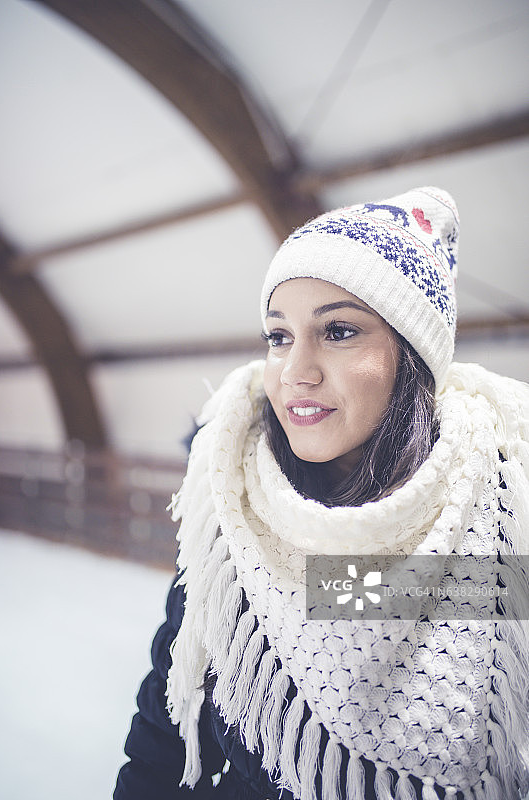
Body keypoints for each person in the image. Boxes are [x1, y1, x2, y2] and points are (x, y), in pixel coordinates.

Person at [114, 187, 529, 800]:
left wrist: (331, 586)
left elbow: (339, 591)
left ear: (409, 359)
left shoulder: (503, 515)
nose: (295, 371)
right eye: (279, 336)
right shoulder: (237, 515)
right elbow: (163, 743)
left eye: (337, 331)